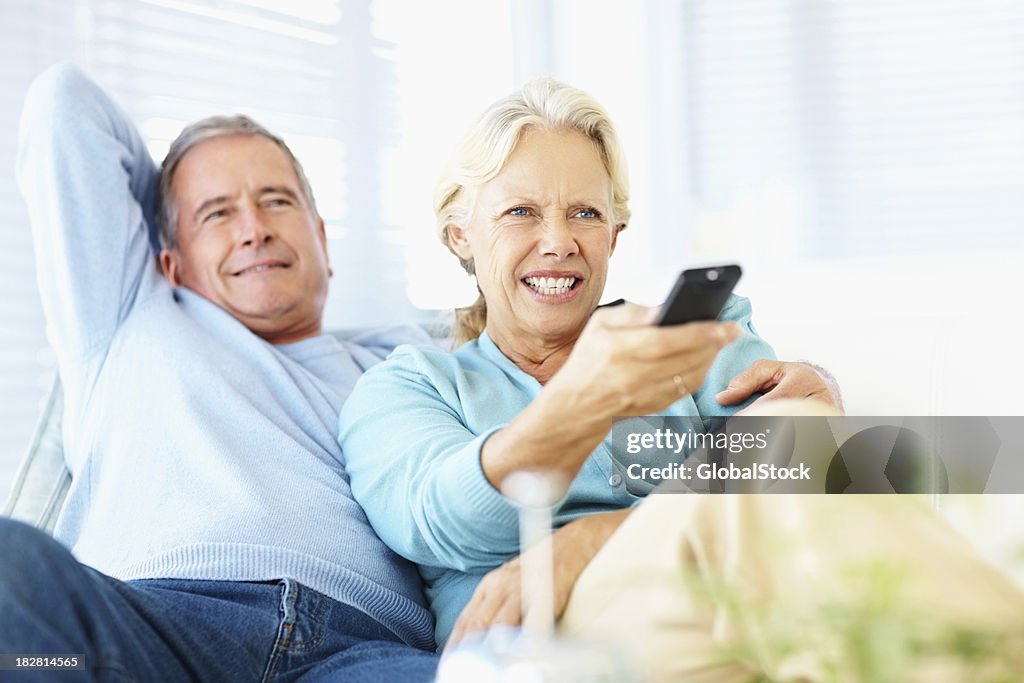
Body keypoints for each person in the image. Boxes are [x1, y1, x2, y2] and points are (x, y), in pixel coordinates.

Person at [336, 77, 845, 653]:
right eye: (521, 211)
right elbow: (443, 520)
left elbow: (800, 487)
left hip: (738, 600)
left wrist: (596, 537)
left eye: (583, 213)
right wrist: (588, 397)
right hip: (554, 644)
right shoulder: (411, 388)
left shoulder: (693, 339)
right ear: (462, 236)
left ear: (613, 236)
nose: (558, 242)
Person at [0, 64, 438, 681]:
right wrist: (174, 202)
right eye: (218, 214)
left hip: (363, 648)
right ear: (171, 264)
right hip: (153, 631)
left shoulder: (406, 364)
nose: (254, 230)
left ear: (322, 240)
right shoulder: (128, 315)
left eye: (276, 202)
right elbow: (63, 105)